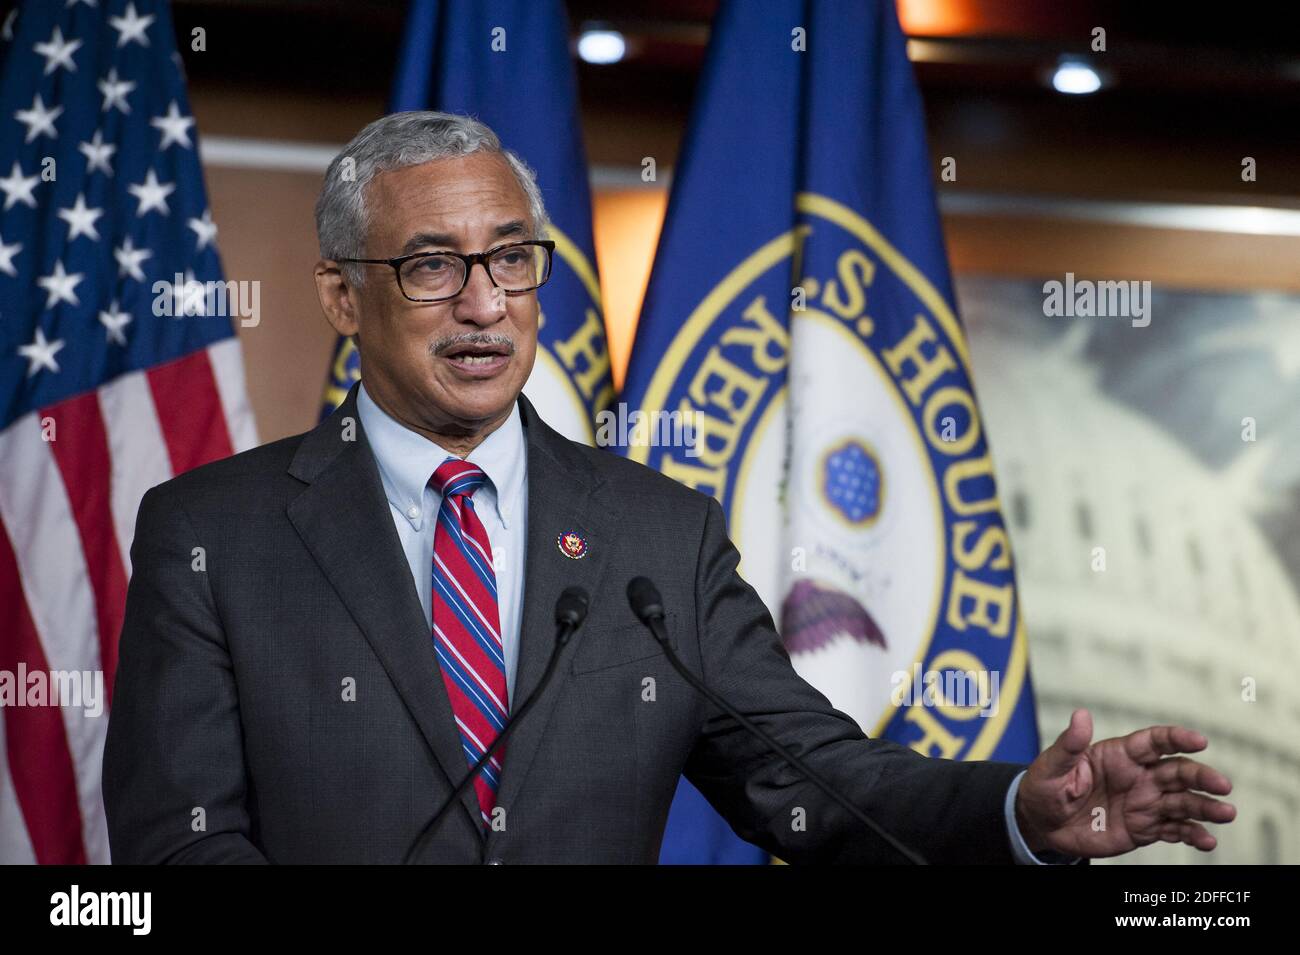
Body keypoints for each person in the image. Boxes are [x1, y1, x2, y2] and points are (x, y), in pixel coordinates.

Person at [102, 112, 1236, 864]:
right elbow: (177, 846)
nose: (487, 304)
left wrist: (1017, 813)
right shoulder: (212, 534)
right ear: (343, 296)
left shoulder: (658, 535)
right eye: (433, 265)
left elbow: (813, 785)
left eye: (512, 258)